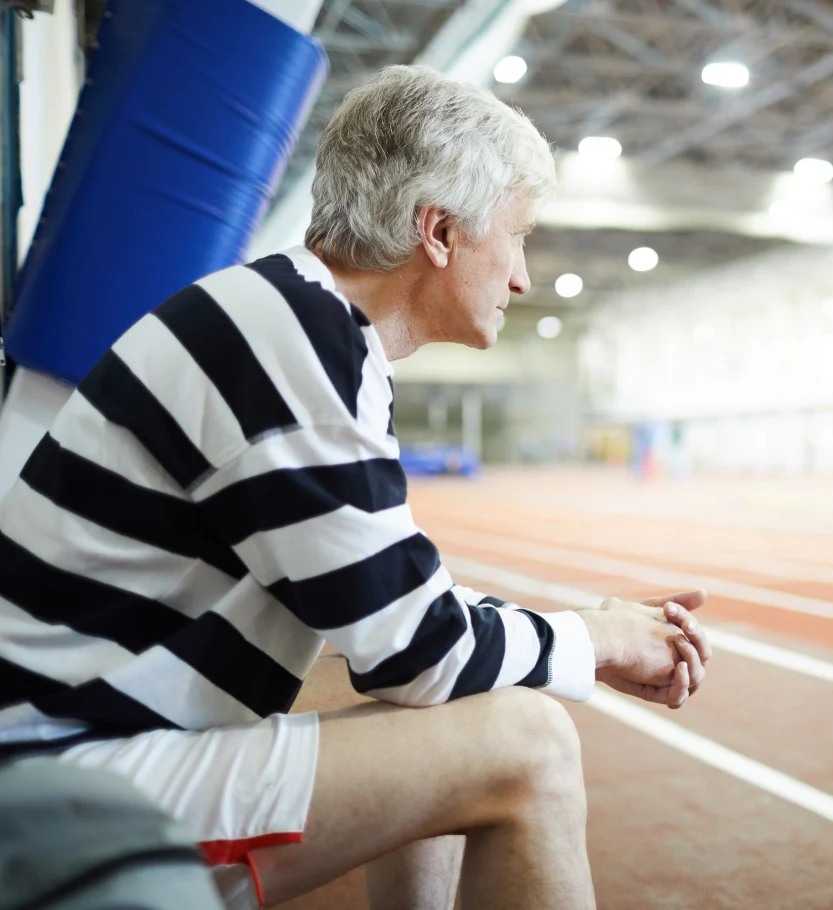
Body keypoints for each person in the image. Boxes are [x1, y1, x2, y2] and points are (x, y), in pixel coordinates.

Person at [0, 65, 711, 910]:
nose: (521, 276)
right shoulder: (290, 343)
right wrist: (598, 641)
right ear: (439, 232)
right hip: (54, 786)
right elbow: (422, 652)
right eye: (518, 236)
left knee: (455, 704)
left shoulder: (297, 323)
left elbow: (396, 611)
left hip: (73, 738)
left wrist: (588, 633)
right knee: (529, 743)